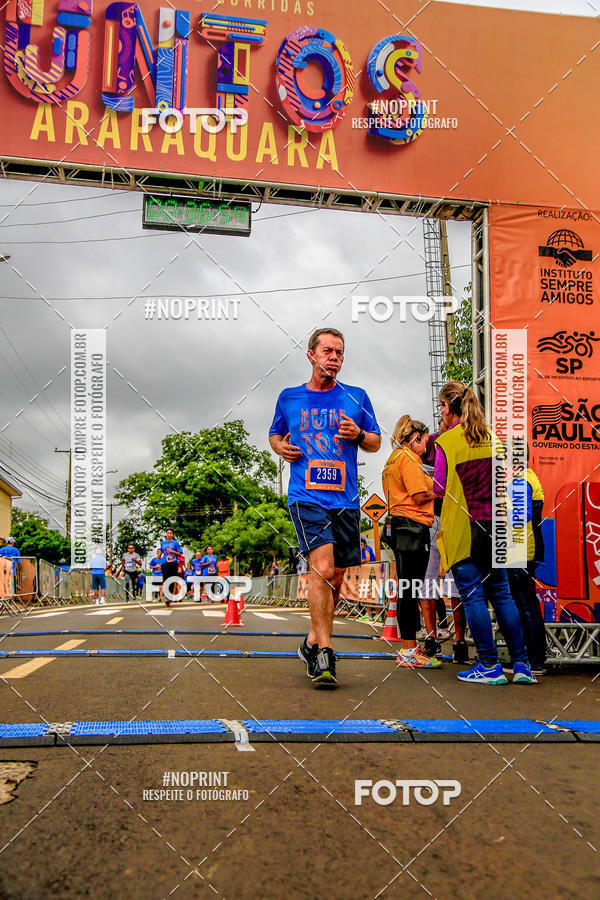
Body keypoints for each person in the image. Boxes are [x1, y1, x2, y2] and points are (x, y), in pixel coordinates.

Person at [269, 326, 381, 688]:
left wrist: (359, 436)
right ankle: (325, 654)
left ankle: (310, 640)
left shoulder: (357, 396)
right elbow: (275, 432)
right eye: (328, 351)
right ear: (311, 355)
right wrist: (279, 448)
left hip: (345, 497)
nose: (334, 357)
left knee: (334, 575)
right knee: (322, 566)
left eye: (340, 353)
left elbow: (376, 441)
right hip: (306, 495)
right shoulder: (289, 397)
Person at [434, 381, 536, 684]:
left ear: (451, 407)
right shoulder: (494, 438)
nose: (440, 411)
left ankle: (490, 665)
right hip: (497, 528)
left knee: (474, 597)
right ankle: (522, 665)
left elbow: (439, 487)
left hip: (465, 530)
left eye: (441, 405)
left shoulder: (446, 441)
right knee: (503, 596)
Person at [382, 416, 441, 669]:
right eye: (425, 439)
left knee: (408, 586)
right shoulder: (408, 459)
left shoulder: (393, 458)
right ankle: (408, 649)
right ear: (415, 438)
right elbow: (418, 495)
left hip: (400, 525)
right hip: (412, 525)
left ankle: (409, 647)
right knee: (411, 588)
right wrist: (441, 489)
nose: (427, 445)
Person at [422, 422, 469, 663]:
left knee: (451, 579)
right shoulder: (432, 441)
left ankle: (454, 640)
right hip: (438, 515)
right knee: (434, 579)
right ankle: (440, 638)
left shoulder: (465, 439)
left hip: (447, 515)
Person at [507, 448, 547, 674]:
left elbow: (520, 516)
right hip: (524, 548)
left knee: (525, 604)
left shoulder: (522, 481)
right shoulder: (528, 478)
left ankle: (534, 660)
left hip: (521, 550)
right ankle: (533, 657)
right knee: (525, 603)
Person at [161, 528, 184, 607]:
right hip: (165, 562)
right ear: (166, 534)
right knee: (165, 578)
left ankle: (169, 597)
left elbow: (180, 554)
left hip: (174, 563)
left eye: (171, 533)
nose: (169, 535)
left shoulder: (175, 543)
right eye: (168, 533)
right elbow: (161, 550)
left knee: (172, 579)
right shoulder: (163, 543)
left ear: (173, 535)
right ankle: (166, 593)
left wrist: (172, 551)